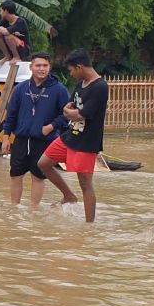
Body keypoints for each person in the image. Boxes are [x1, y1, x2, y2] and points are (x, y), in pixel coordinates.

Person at [38, 49, 109, 223]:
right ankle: (69, 196)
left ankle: (89, 224)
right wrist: (70, 112)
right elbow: (70, 107)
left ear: (79, 67)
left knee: (85, 182)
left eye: (71, 70)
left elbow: (79, 114)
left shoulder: (100, 87)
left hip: (87, 141)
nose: (70, 74)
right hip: (70, 135)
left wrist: (70, 112)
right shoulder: (81, 84)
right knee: (43, 163)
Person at [0, 53, 70, 207]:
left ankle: (33, 210)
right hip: (22, 139)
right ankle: (14, 207)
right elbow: (11, 113)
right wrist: (6, 137)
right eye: (38, 65)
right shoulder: (21, 88)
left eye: (45, 66)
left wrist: (51, 127)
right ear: (31, 67)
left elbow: (67, 115)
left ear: (49, 67)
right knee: (16, 175)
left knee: (38, 176)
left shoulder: (59, 90)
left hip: (45, 141)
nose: (41, 69)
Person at [0, 0, 30, 66]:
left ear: (5, 11)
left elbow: (6, 32)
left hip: (23, 46)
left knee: (8, 37)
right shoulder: (5, 21)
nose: (0, 13)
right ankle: (7, 56)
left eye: (1, 10)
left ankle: (16, 57)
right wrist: (1, 28)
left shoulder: (20, 21)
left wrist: (2, 29)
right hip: (11, 46)